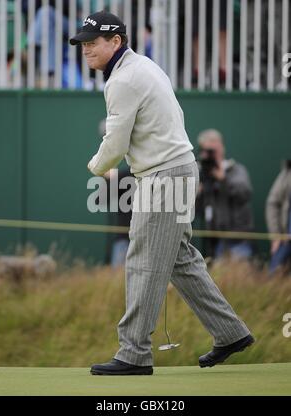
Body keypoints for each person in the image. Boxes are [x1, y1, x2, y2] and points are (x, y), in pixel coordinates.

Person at [70, 10, 254, 376]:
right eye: (83, 43)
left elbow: (116, 142)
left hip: (163, 175)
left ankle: (134, 352)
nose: (86, 49)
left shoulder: (122, 80)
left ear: (116, 41)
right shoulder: (145, 66)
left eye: (93, 42)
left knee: (142, 259)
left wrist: (95, 166)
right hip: (177, 169)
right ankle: (230, 333)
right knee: (180, 260)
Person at [196, 129, 254, 260]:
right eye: (207, 151)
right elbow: (196, 210)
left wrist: (223, 180)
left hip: (238, 238)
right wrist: (197, 191)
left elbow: (244, 194)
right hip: (213, 238)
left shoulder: (236, 170)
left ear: (221, 148)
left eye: (213, 151)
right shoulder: (202, 175)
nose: (211, 155)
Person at [266, 161, 291, 274]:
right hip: (285, 240)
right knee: (274, 274)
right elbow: (272, 203)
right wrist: (276, 235)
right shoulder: (287, 174)